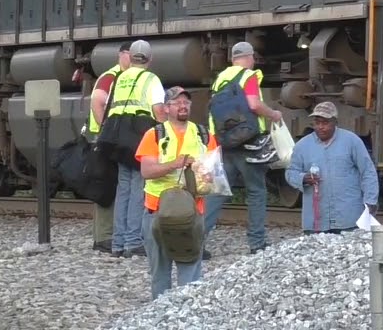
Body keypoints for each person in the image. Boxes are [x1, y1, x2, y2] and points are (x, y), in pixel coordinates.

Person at [202, 41, 283, 255]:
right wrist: (273, 114)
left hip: (226, 142)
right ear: (249, 57)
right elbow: (254, 104)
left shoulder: (221, 78)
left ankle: (196, 242)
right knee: (256, 191)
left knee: (218, 192)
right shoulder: (249, 76)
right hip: (248, 141)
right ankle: (257, 243)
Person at [135, 85, 216, 299]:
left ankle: (186, 311)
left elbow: (214, 174)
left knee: (190, 272)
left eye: (186, 102)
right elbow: (147, 171)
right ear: (166, 108)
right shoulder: (154, 135)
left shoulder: (204, 135)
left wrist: (205, 174)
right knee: (160, 273)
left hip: (192, 212)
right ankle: (161, 311)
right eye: (177, 102)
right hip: (157, 212)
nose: (183, 106)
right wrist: (175, 164)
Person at [106, 39, 167, 258]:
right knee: (138, 187)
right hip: (139, 138)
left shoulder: (119, 78)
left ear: (130, 57)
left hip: (117, 137)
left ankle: (118, 243)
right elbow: (158, 110)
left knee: (123, 188)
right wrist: (166, 132)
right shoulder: (151, 79)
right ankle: (133, 242)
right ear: (150, 59)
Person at [284, 101, 379, 234]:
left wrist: (370, 200)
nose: (320, 127)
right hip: (316, 221)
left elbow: (367, 171)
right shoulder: (302, 146)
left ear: (335, 122)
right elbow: (290, 172)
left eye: (325, 123)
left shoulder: (352, 141)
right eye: (317, 123)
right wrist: (303, 178)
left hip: (348, 219)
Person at [86, 41, 131, 254]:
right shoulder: (111, 77)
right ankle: (104, 236)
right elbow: (97, 102)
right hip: (105, 141)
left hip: (111, 139)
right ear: (121, 55)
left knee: (112, 185)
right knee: (107, 186)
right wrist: (107, 133)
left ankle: (105, 236)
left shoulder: (124, 77)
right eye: (131, 53)